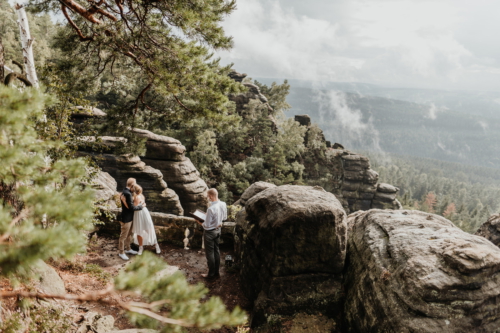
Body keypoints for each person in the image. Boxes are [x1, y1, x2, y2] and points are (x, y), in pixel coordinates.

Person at [197, 188, 227, 279]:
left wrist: (198, 221)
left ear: (211, 196)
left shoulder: (211, 209)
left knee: (210, 253)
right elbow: (224, 217)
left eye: (208, 196)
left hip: (210, 232)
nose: (208, 198)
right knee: (216, 250)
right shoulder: (223, 204)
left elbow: (206, 225)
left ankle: (210, 274)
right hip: (218, 230)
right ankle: (216, 272)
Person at [131, 184, 161, 255]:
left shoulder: (137, 197)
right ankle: (142, 247)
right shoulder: (141, 195)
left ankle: (154, 246)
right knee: (145, 230)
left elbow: (134, 207)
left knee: (145, 230)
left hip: (140, 214)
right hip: (142, 213)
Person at [118, 178, 143, 260]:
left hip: (129, 217)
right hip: (126, 218)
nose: (135, 187)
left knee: (129, 235)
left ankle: (128, 249)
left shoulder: (126, 192)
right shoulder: (127, 194)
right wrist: (142, 206)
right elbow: (132, 208)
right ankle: (121, 252)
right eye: (135, 185)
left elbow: (129, 206)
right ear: (132, 185)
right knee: (123, 236)